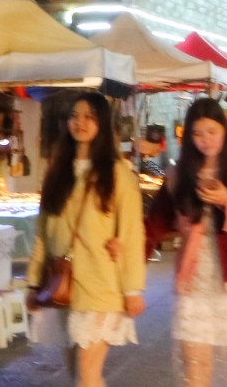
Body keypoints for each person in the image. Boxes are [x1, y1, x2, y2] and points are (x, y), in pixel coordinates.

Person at [151, 97, 227, 387]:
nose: (205, 140)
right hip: (194, 284)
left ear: (224, 130)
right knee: (195, 373)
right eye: (197, 133)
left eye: (211, 131)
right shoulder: (178, 174)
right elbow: (156, 222)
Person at [28, 92, 146, 387]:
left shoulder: (117, 174)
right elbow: (43, 232)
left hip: (102, 284)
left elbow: (132, 233)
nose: (80, 122)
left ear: (102, 123)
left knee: (86, 375)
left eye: (89, 117)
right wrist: (34, 282)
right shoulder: (57, 171)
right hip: (63, 285)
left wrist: (132, 289)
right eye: (74, 116)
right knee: (77, 372)